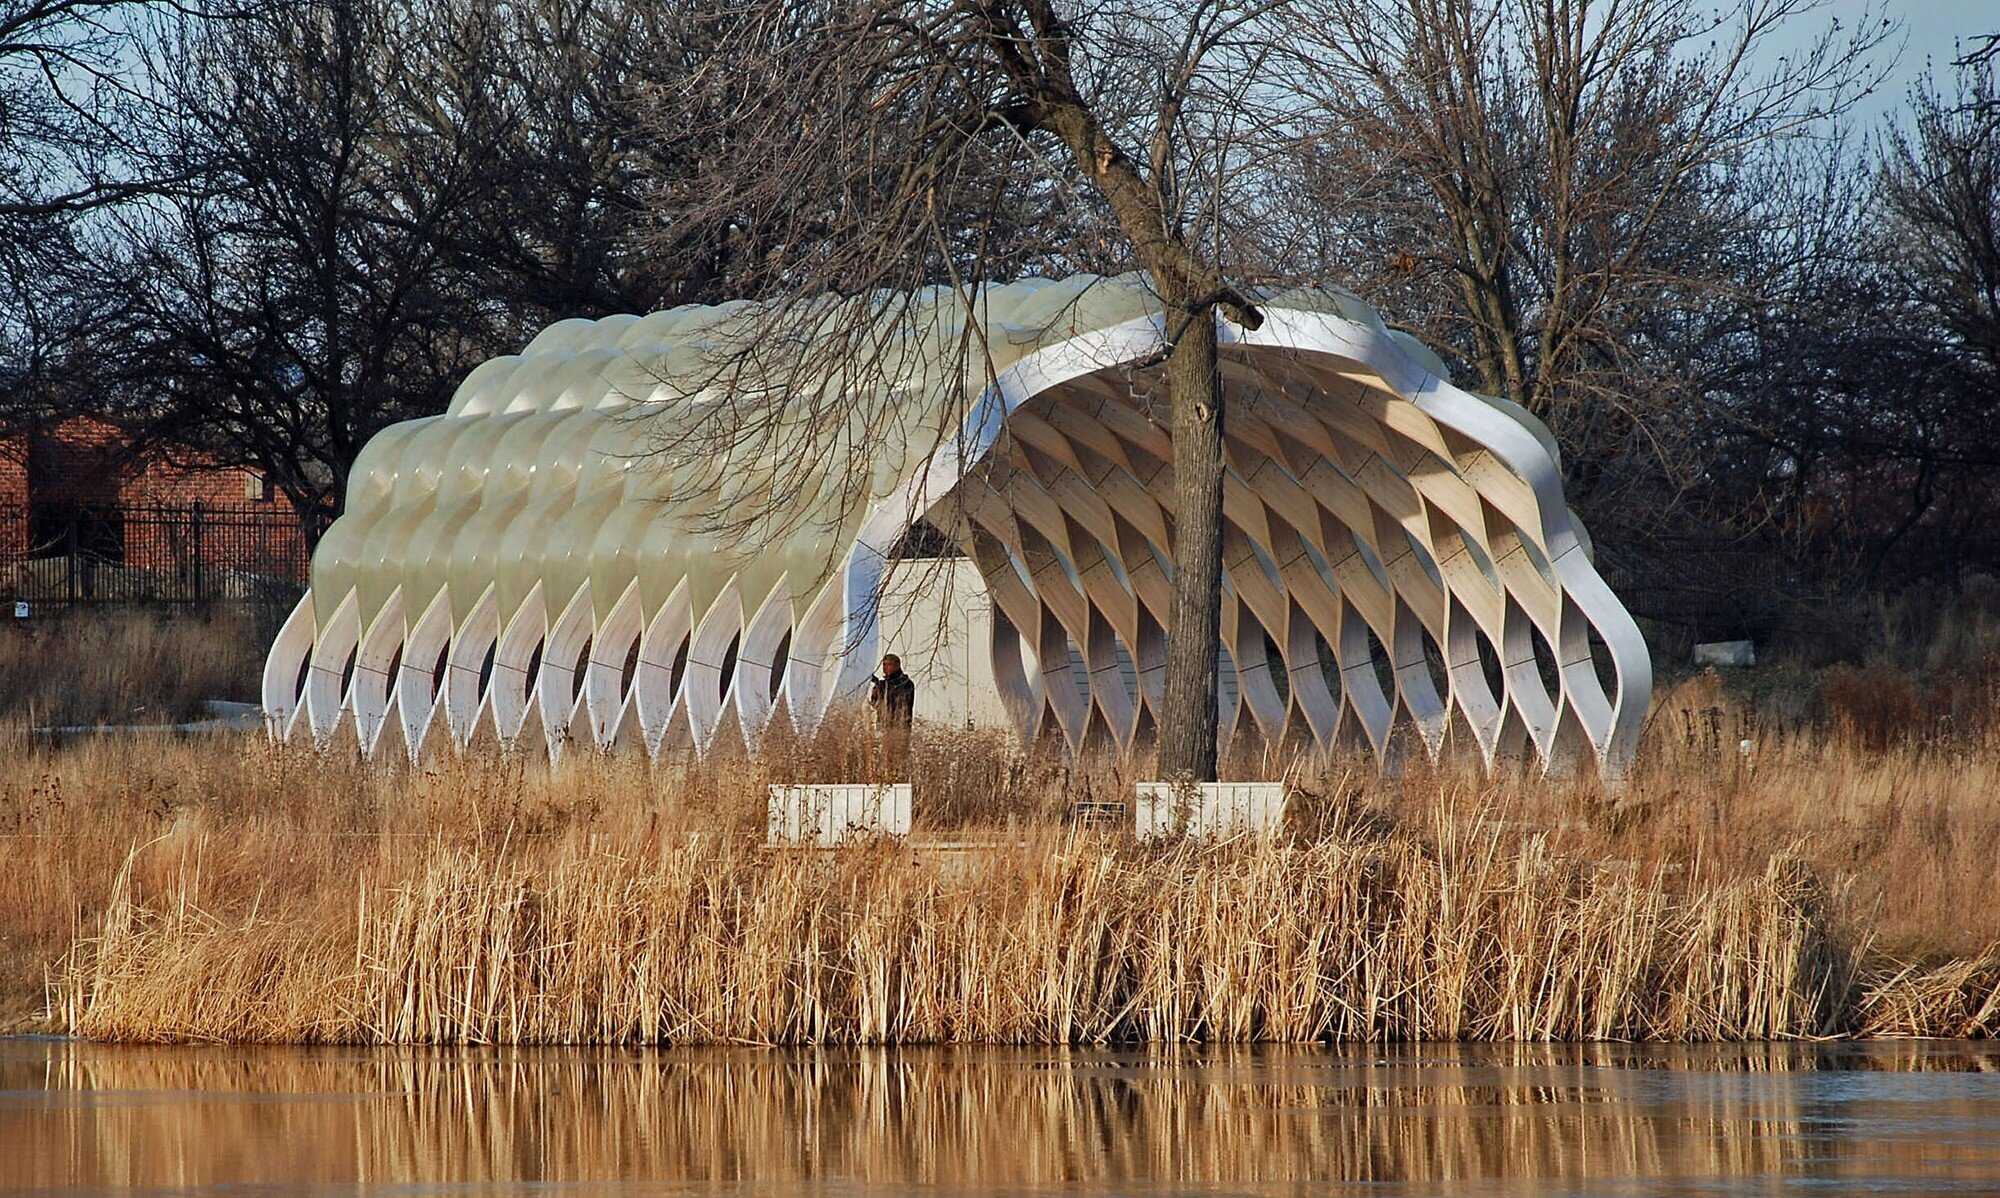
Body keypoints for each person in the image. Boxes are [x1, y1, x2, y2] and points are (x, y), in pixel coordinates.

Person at [868, 654, 915, 730]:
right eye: (884, 664)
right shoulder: (883, 684)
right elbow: (875, 704)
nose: (885, 667)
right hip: (882, 727)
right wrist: (877, 687)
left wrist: (880, 686)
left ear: (897, 666)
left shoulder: (906, 683)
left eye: (889, 664)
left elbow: (896, 702)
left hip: (899, 728)